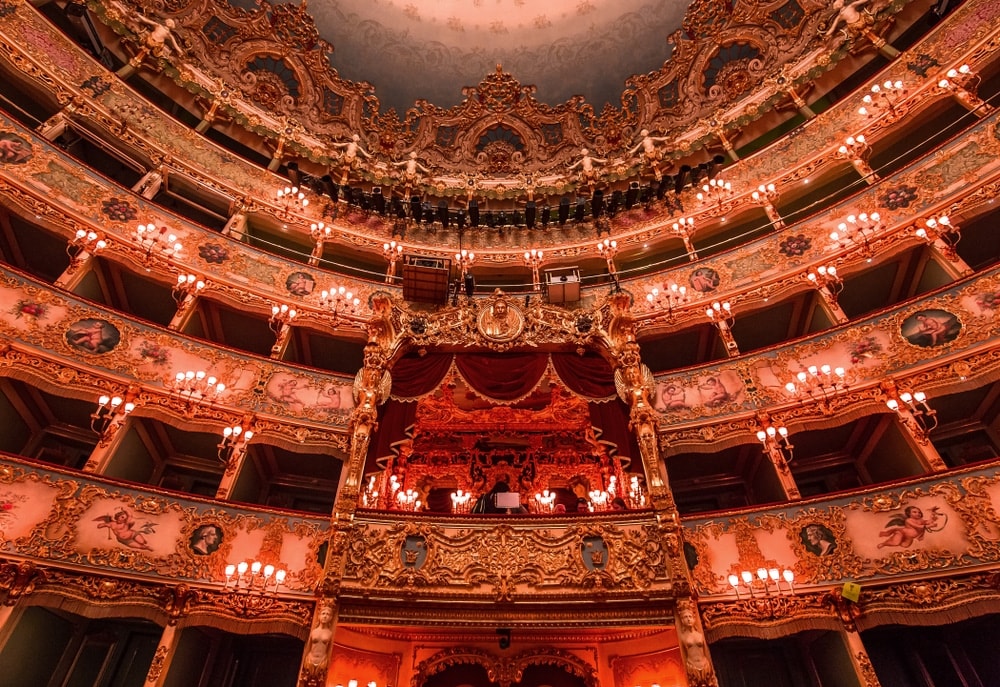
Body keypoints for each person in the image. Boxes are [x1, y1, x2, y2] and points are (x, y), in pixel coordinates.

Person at [878, 506, 944, 548]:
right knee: (895, 543)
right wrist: (929, 526)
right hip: (902, 533)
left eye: (919, 512)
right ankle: (884, 544)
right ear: (909, 514)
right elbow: (919, 527)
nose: (918, 513)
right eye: (914, 512)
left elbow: (928, 522)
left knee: (905, 545)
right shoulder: (909, 520)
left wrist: (933, 516)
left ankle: (897, 540)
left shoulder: (921, 520)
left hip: (909, 537)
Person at [305, 604, 334, 671]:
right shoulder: (313, 631)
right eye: (323, 614)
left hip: (322, 660)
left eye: (327, 614)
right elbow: (308, 647)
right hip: (310, 658)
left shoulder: (330, 633)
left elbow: (329, 650)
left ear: (330, 618)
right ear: (319, 616)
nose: (325, 616)